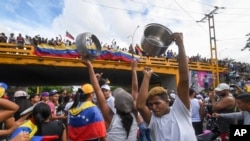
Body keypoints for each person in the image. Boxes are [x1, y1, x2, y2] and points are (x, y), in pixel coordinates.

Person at [136, 33, 197, 141]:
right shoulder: (153, 119)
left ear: (167, 101)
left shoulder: (180, 109)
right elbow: (140, 106)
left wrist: (180, 44)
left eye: (157, 103)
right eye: (151, 104)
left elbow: (184, 79)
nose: (153, 107)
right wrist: (146, 77)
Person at [81, 56, 138, 141]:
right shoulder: (134, 115)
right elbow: (135, 90)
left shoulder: (111, 118)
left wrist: (90, 66)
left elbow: (97, 90)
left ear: (114, 105)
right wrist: (134, 69)